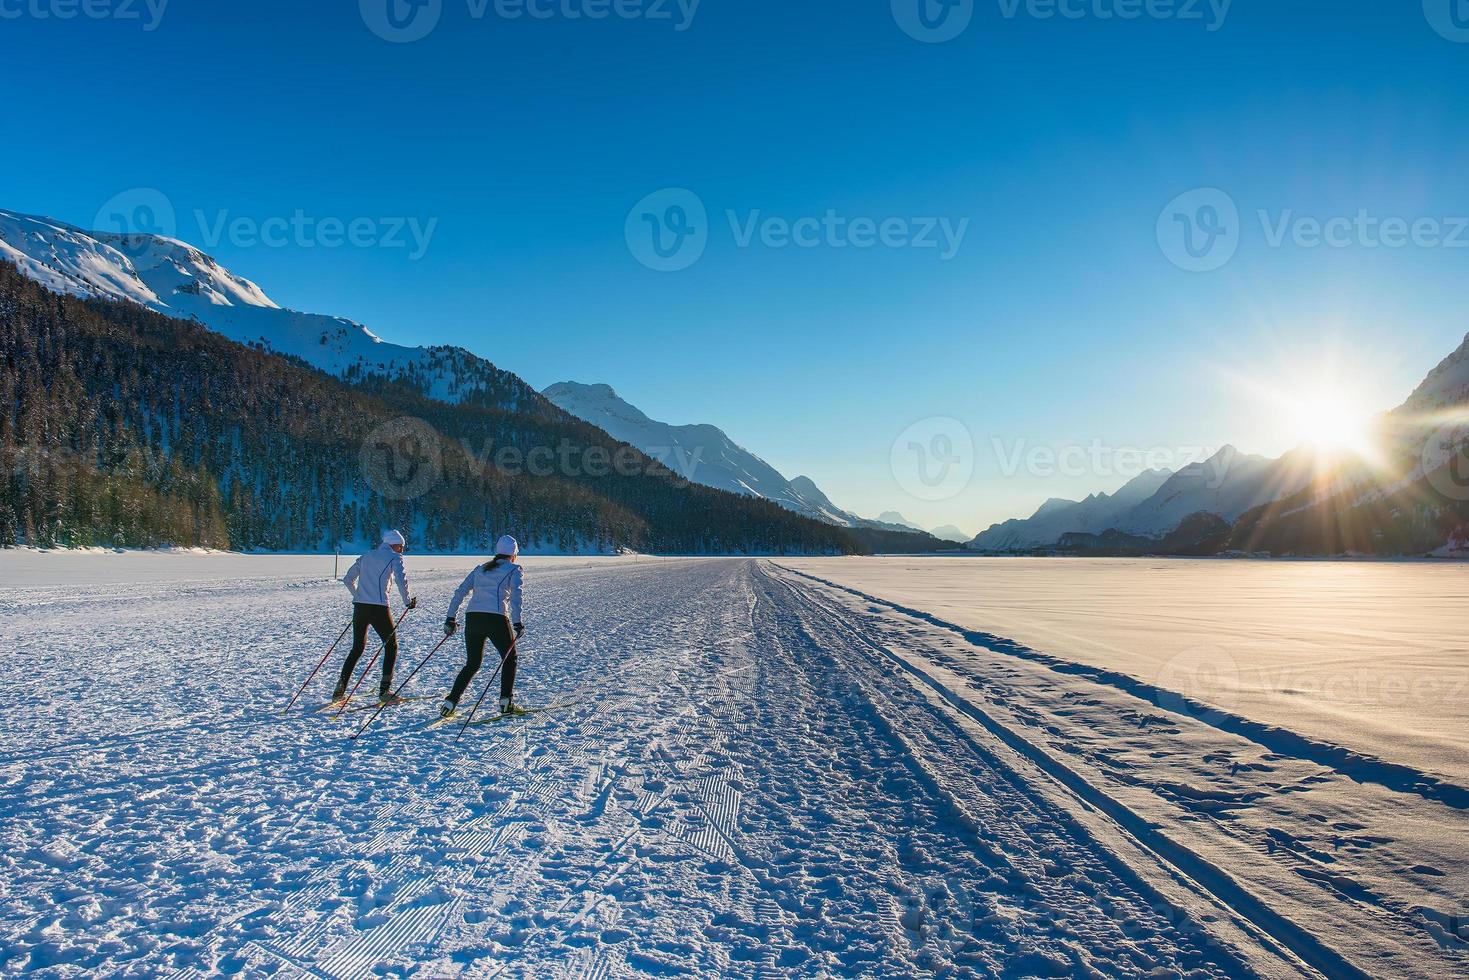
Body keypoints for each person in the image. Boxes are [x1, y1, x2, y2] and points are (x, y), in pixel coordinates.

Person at [441, 535, 525, 719]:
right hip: (496, 618)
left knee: (472, 663)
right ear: (514, 554)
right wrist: (517, 622)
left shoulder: (481, 569)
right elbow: (516, 598)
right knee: (510, 659)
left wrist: (450, 618)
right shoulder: (514, 569)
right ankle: (506, 701)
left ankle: (451, 701)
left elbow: (460, 592)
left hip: (473, 618)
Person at [336, 529, 417, 703]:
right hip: (379, 608)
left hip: (360, 607)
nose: (402, 550)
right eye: (401, 546)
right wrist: (408, 602)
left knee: (357, 648)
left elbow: (347, 579)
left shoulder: (366, 556)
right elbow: (401, 581)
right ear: (393, 545)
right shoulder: (394, 558)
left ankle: (340, 690)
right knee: (391, 646)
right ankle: (385, 692)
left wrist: (358, 596)